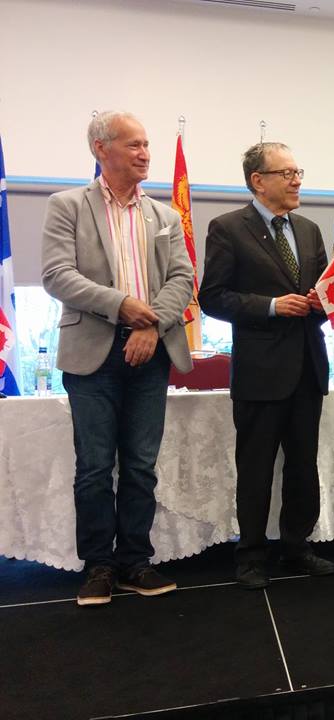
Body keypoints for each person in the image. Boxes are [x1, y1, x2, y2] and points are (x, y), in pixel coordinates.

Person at [41, 111, 194, 605]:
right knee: (93, 467)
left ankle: (134, 561)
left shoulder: (165, 216)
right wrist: (121, 305)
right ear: (100, 149)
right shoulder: (67, 205)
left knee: (141, 467)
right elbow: (57, 275)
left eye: (146, 144)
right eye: (133, 144)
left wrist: (150, 323)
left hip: (151, 353)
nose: (145, 153)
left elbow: (182, 280)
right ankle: (98, 566)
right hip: (92, 354)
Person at [198, 142, 334, 589]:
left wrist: (328, 299)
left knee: (303, 465)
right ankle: (251, 556)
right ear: (258, 180)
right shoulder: (227, 228)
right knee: (256, 468)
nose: (298, 180)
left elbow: (320, 291)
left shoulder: (311, 230)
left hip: (308, 368)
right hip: (260, 372)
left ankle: (297, 546)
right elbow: (213, 297)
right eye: (287, 173)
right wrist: (273, 306)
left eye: (299, 171)